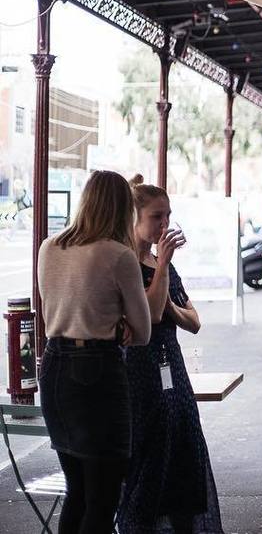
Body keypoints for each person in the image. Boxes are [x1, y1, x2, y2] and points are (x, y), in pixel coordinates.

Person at [36, 170, 153, 533]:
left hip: (54, 366)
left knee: (78, 491)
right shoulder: (119, 255)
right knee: (103, 496)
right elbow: (144, 331)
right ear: (122, 209)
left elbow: (50, 309)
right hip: (97, 370)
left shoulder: (49, 246)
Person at [118, 175, 223, 533]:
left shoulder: (161, 262)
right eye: (156, 217)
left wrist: (169, 306)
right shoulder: (125, 264)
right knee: (148, 457)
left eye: (168, 216)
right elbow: (144, 317)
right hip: (139, 370)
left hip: (172, 366)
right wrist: (160, 271)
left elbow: (193, 320)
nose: (164, 225)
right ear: (135, 218)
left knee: (184, 448)